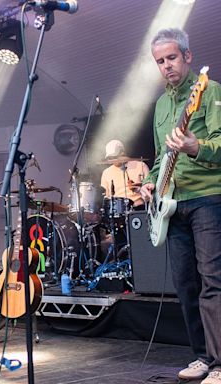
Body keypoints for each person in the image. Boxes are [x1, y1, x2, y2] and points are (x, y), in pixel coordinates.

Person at [141, 28, 221, 384]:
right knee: (185, 284)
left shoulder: (210, 91)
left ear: (188, 57)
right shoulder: (159, 105)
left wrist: (195, 146)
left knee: (212, 283)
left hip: (208, 198)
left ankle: (220, 364)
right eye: (160, 61)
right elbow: (161, 157)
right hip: (172, 204)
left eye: (172, 57)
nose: (166, 66)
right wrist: (149, 183)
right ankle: (202, 357)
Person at [100, 139, 149, 210]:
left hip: (140, 209)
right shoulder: (106, 172)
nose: (112, 160)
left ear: (122, 153)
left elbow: (151, 192)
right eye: (109, 158)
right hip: (117, 210)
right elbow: (106, 198)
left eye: (114, 157)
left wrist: (141, 200)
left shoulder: (141, 166)